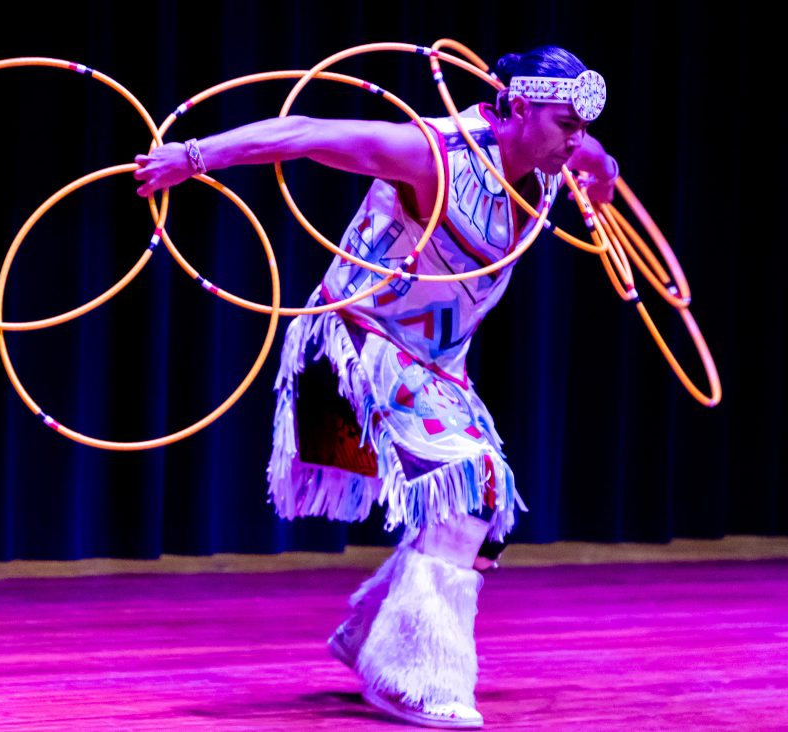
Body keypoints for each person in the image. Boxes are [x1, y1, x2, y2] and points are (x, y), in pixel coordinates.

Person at [134, 45, 618, 729]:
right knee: (469, 482)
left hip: (436, 363)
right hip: (364, 345)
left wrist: (603, 175)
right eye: (566, 124)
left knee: (487, 510)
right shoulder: (432, 154)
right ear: (516, 107)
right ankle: (412, 679)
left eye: (578, 127)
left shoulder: (551, 153)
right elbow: (303, 134)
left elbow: (595, 155)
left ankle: (371, 639)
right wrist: (192, 156)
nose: (576, 139)